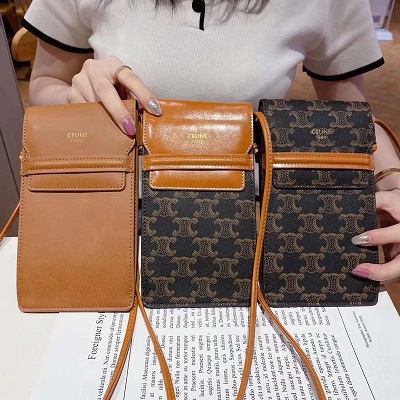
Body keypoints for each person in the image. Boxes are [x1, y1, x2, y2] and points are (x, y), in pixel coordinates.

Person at [22, 0, 400, 281]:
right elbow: (45, 84)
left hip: (256, 226)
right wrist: (78, 96)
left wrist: (393, 184)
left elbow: (349, 119)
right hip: (110, 216)